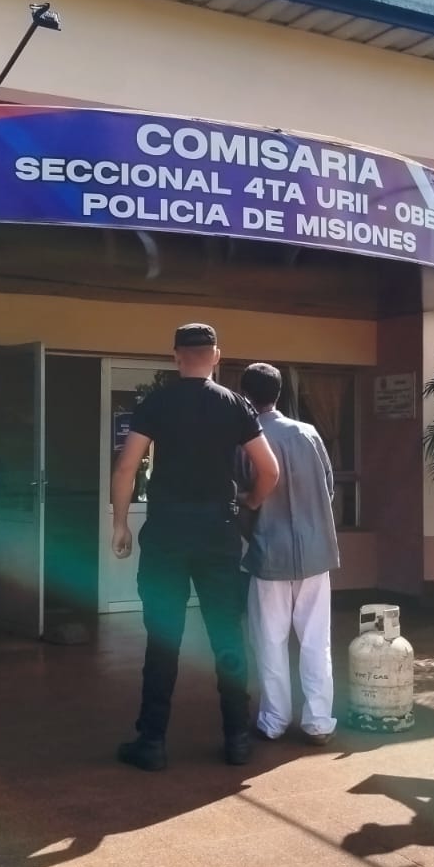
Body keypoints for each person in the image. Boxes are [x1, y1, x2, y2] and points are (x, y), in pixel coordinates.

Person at [110, 323, 280, 771]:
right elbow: (270, 469)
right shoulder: (235, 404)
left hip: (166, 534)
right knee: (226, 635)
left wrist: (120, 524)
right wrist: (250, 503)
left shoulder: (156, 403)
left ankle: (152, 742)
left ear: (175, 356)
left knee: (163, 639)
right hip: (217, 534)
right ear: (216, 356)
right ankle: (237, 739)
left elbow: (126, 468)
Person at [236, 363, 341, 746]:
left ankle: (274, 720)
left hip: (268, 555)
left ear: (245, 396)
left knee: (269, 641)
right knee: (316, 641)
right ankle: (318, 722)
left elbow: (242, 497)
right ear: (279, 393)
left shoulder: (246, 440)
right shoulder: (309, 433)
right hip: (315, 553)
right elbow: (329, 488)